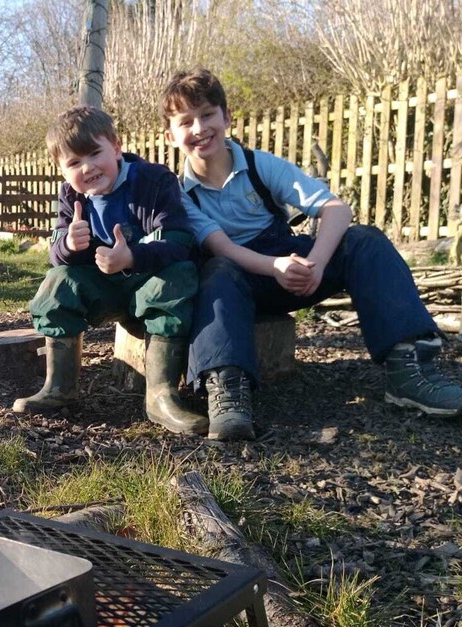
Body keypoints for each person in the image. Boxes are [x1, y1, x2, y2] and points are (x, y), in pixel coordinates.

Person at [160, 68, 462, 440]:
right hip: (235, 281)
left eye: (207, 114)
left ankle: (408, 368)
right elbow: (221, 246)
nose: (199, 128)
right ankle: (227, 388)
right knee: (217, 268)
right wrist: (275, 267)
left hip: (291, 264)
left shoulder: (260, 165)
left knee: (364, 240)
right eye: (185, 121)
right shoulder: (179, 193)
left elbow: (336, 209)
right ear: (170, 135)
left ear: (226, 117)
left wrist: (315, 263)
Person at [13, 106, 208, 435]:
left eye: (94, 154)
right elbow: (56, 254)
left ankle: (161, 396)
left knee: (180, 273)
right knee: (57, 282)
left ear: (116, 147)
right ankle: (60, 386)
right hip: (104, 289)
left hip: (149, 286)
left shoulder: (153, 180)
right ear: (62, 170)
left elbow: (179, 240)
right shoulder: (70, 196)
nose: (87, 168)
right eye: (74, 163)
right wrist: (70, 246)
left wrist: (131, 257)